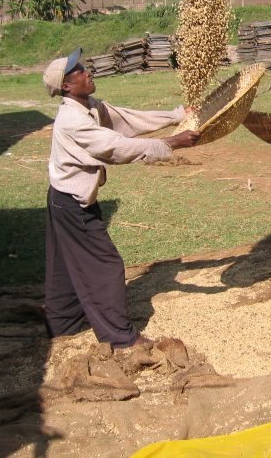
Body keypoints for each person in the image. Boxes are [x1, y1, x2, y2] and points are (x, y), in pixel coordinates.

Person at [43, 48, 200, 350]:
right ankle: (120, 337)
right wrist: (172, 143)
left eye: (85, 65)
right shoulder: (72, 120)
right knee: (106, 265)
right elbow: (117, 147)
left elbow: (127, 120)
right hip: (71, 204)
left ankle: (62, 322)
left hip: (63, 198)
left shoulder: (88, 105)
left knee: (63, 264)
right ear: (66, 86)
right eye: (80, 70)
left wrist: (177, 116)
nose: (88, 72)